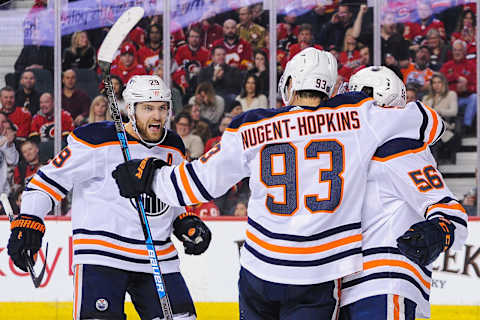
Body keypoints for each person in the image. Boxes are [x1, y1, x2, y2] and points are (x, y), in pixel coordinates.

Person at [112, 48, 444, 319]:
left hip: (260, 270)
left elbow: (197, 184)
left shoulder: (251, 125)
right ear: (330, 88)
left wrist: (149, 177)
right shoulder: (360, 116)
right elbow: (431, 124)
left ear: (289, 84)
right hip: (317, 274)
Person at [7, 75, 210, 319]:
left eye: (162, 108)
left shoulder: (173, 145)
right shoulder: (95, 140)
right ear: (131, 110)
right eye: (148, 108)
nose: (157, 116)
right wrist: (29, 221)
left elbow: (173, 192)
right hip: (102, 256)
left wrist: (185, 220)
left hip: (158, 256)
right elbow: (46, 182)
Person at [339, 66, 468, 320]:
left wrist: (440, 230)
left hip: (383, 282)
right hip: (344, 288)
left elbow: (452, 215)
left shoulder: (399, 149)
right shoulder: (342, 149)